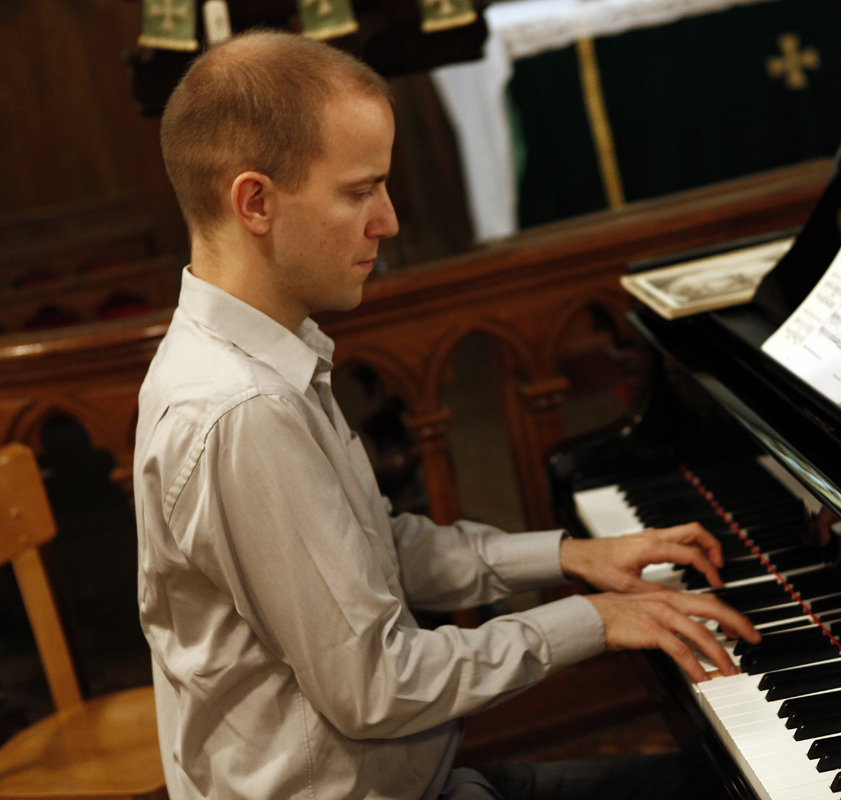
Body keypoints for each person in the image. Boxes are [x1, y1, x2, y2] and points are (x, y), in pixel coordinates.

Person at [133, 30, 760, 800]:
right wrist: (593, 621)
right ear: (255, 201)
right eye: (360, 191)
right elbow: (377, 687)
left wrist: (567, 558)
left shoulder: (261, 351)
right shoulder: (243, 409)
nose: (389, 221)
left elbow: (370, 551)